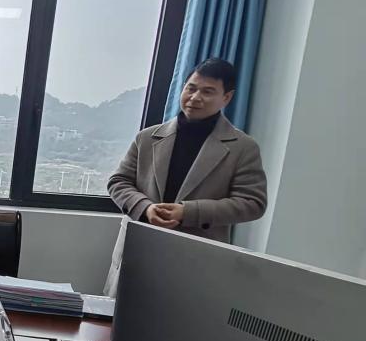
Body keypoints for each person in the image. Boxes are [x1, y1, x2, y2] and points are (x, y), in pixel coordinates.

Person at [108, 57, 267, 243]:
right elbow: (118, 182)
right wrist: (145, 208)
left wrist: (189, 212)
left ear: (227, 97)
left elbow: (252, 203)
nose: (195, 97)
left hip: (198, 249)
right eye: (191, 88)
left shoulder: (243, 147)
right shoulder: (147, 137)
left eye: (207, 92)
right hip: (139, 242)